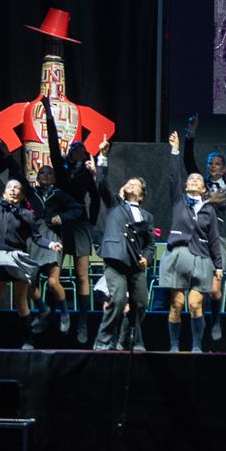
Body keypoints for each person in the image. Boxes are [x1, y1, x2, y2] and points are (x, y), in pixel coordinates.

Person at [0, 147, 63, 349]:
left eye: (17, 188)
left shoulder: (27, 215)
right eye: (10, 187)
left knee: (21, 301)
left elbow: (37, 237)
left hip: (17, 258)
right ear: (4, 191)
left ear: (21, 194)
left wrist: (51, 243)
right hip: (0, 258)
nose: (13, 190)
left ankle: (28, 340)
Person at [42, 95, 101, 343]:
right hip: (58, 223)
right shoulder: (61, 168)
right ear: (69, 153)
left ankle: (84, 322)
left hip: (79, 224)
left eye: (82, 148)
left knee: (82, 275)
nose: (78, 149)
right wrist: (48, 112)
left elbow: (96, 199)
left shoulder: (87, 175)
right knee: (52, 272)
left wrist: (93, 222)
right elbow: (54, 143)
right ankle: (51, 313)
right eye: (74, 148)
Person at [181, 114, 226, 342]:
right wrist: (191, 134)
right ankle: (198, 322)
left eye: (217, 164)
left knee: (215, 289)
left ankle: (216, 318)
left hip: (220, 239)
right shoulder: (201, 185)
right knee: (199, 286)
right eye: (210, 164)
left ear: (224, 169)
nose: (213, 167)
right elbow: (188, 162)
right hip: (198, 238)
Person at [163, 129, 225, 352]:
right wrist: (175, 150)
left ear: (203, 188)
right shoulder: (179, 200)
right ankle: (174, 345)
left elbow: (214, 239)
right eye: (190, 178)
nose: (193, 180)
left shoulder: (209, 209)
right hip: (177, 256)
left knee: (195, 303)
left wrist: (218, 266)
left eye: (198, 179)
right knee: (177, 304)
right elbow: (173, 176)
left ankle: (197, 345)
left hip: (201, 258)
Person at [92, 137, 155, 352]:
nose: (130, 184)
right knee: (117, 301)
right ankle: (102, 340)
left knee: (141, 304)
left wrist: (147, 257)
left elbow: (150, 243)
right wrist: (103, 157)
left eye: (135, 184)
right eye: (128, 182)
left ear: (142, 194)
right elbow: (101, 184)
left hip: (136, 264)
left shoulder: (146, 216)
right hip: (115, 259)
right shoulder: (115, 205)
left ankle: (128, 338)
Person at [25, 157, 85, 339]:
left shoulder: (58, 193)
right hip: (34, 238)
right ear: (37, 177)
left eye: (49, 173)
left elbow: (78, 209)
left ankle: (65, 314)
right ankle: (43, 309)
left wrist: (62, 217)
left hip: (53, 236)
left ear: (54, 178)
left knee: (52, 281)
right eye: (42, 172)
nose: (46, 175)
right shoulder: (31, 193)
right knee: (27, 283)